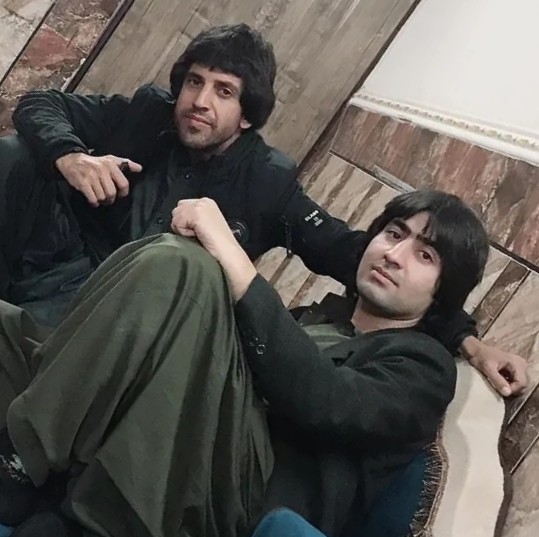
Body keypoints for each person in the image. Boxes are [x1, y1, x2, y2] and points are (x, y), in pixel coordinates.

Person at [1, 24, 526, 396]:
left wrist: (468, 341)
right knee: (16, 154)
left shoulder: (269, 182)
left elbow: (353, 254)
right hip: (58, 263)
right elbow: (40, 103)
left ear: (248, 115)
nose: (200, 101)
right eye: (194, 82)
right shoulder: (149, 112)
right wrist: (71, 156)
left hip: (125, 315)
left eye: (224, 92)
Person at [0, 190, 489, 537]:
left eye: (425, 255)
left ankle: (22, 461)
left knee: (184, 265)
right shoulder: (316, 317)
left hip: (238, 496)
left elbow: (327, 401)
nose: (395, 255)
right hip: (184, 430)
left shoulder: (423, 366)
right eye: (393, 233)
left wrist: (232, 258)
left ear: (443, 291)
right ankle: (51, 466)